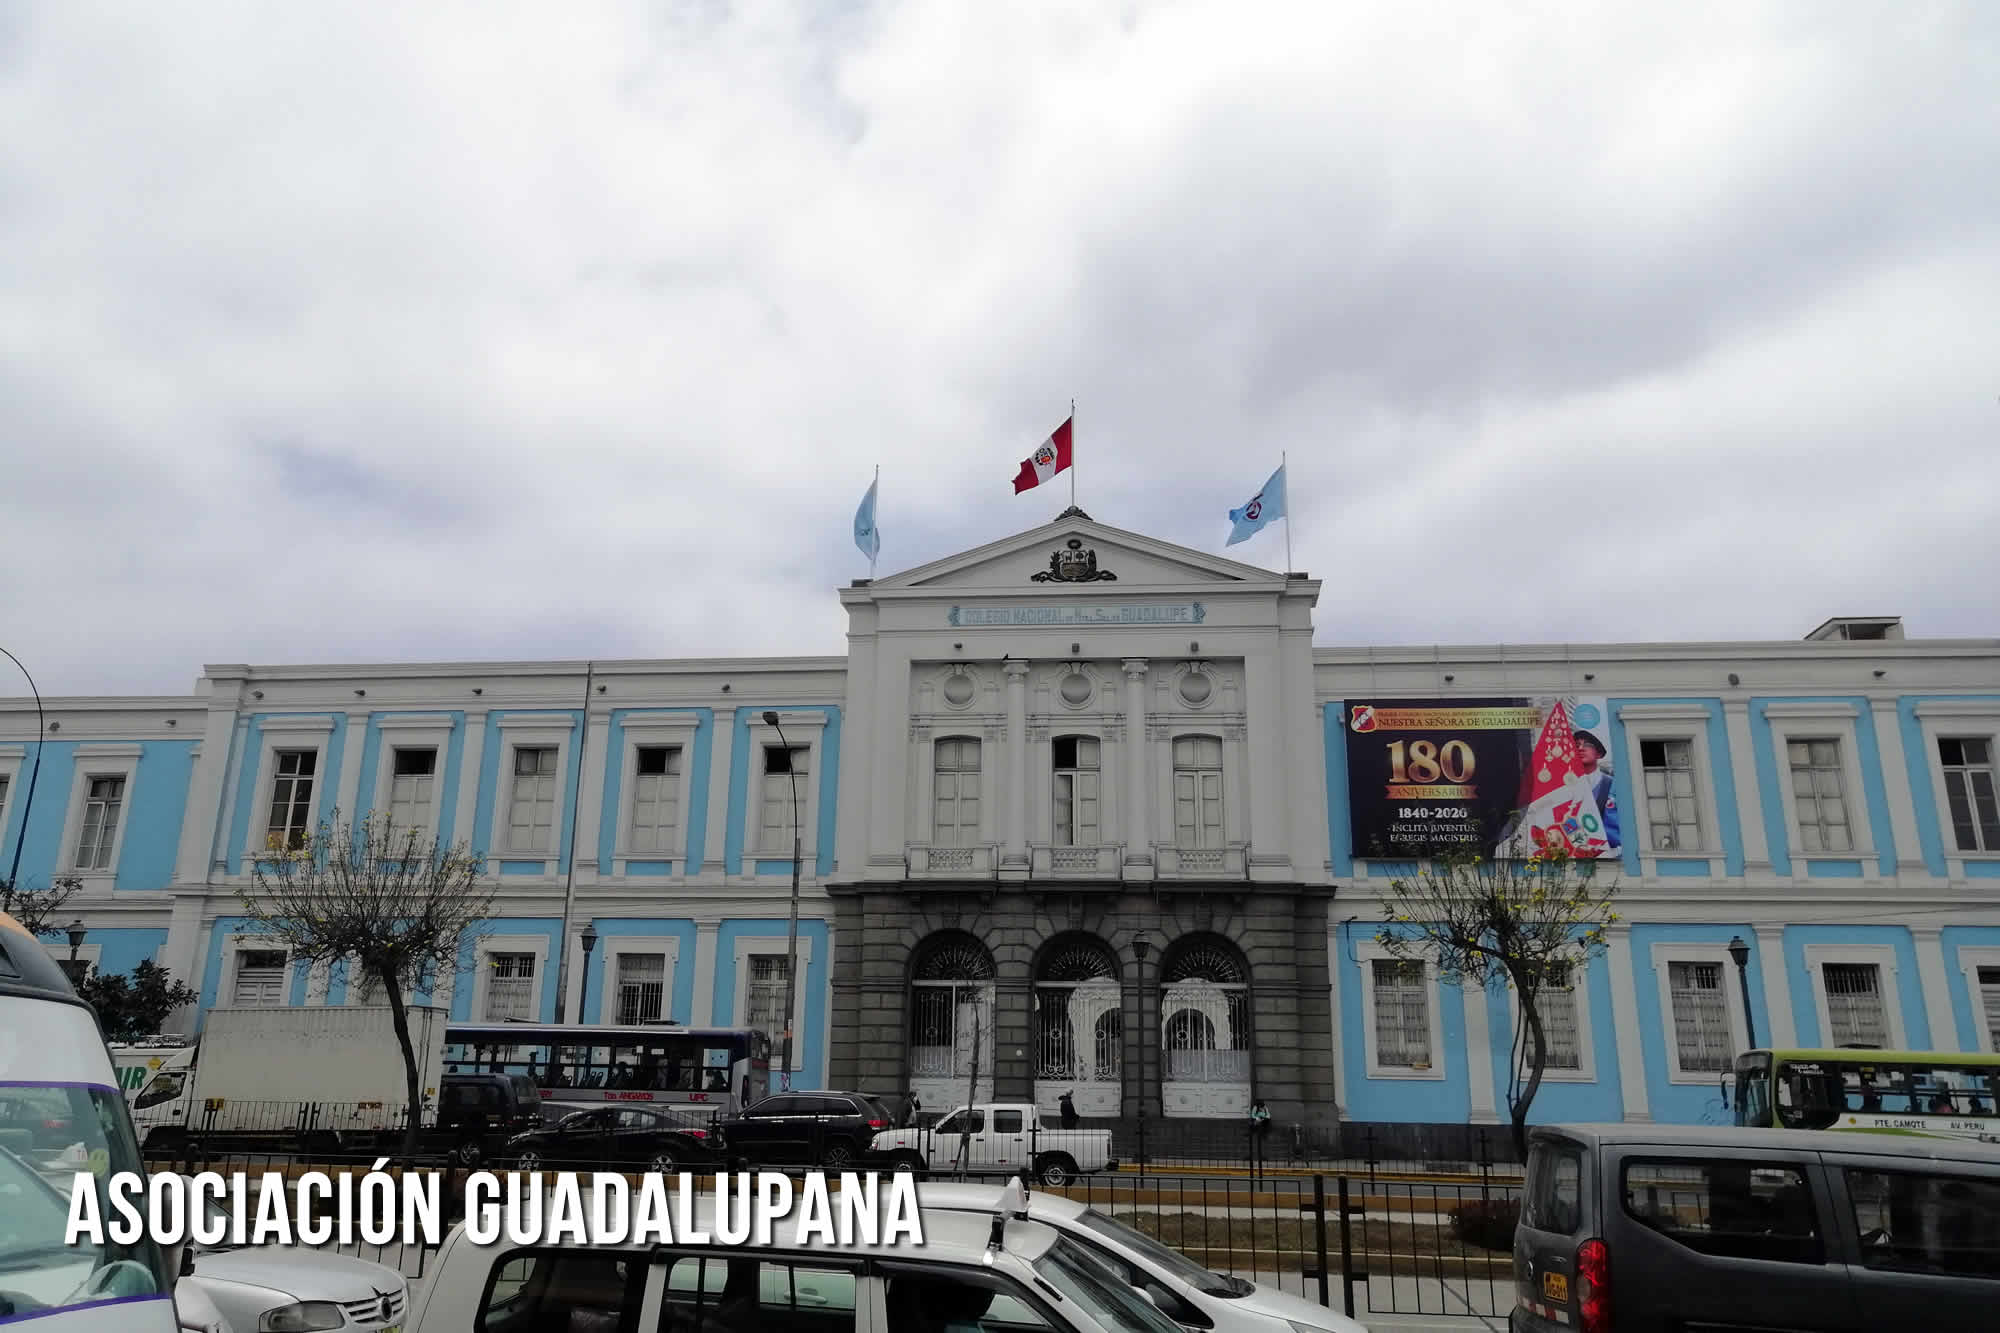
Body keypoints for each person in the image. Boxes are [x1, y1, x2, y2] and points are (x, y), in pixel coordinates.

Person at [1572, 729, 1620, 850]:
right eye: (1577, 745)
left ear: (1598, 753)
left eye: (1587, 745)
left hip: (1609, 854)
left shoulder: (1613, 784)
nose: (1581, 748)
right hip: (1573, 853)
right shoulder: (1566, 787)